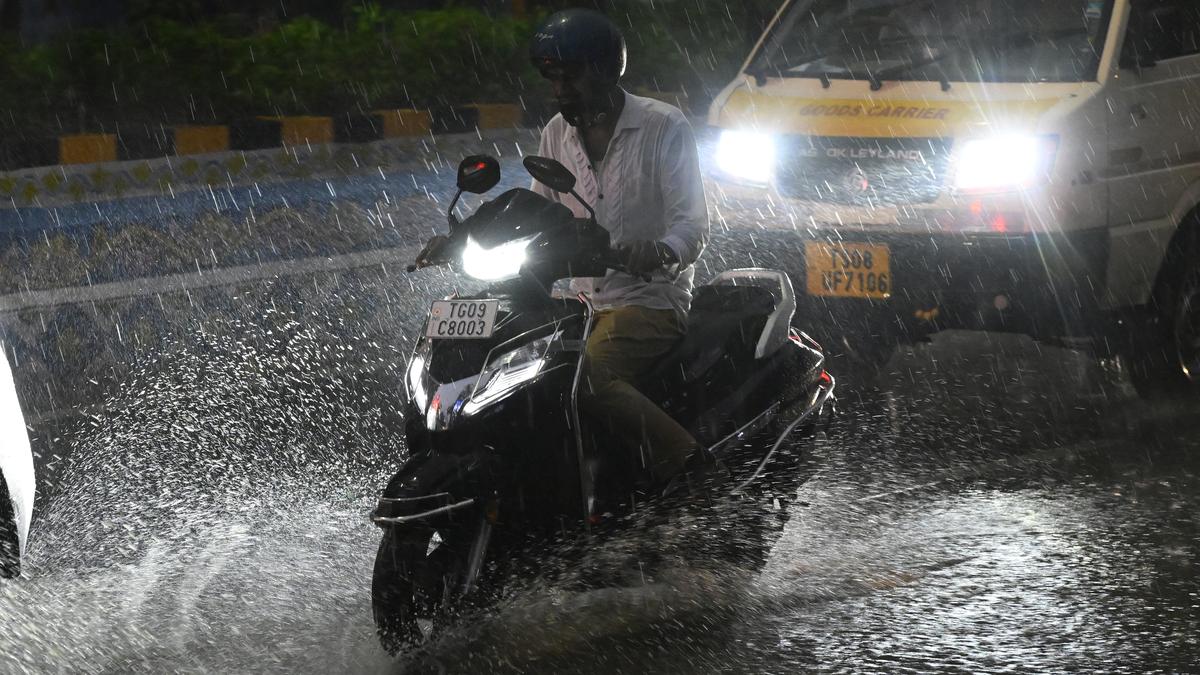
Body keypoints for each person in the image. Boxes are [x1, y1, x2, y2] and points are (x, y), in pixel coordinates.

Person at [528, 9, 713, 492]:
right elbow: (535, 212)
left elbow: (692, 226)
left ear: (607, 70)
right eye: (553, 79)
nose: (560, 89)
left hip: (648, 301)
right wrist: (464, 237)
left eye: (570, 76)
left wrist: (660, 252)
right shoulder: (555, 134)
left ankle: (692, 468)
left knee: (585, 381)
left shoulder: (663, 127)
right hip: (577, 303)